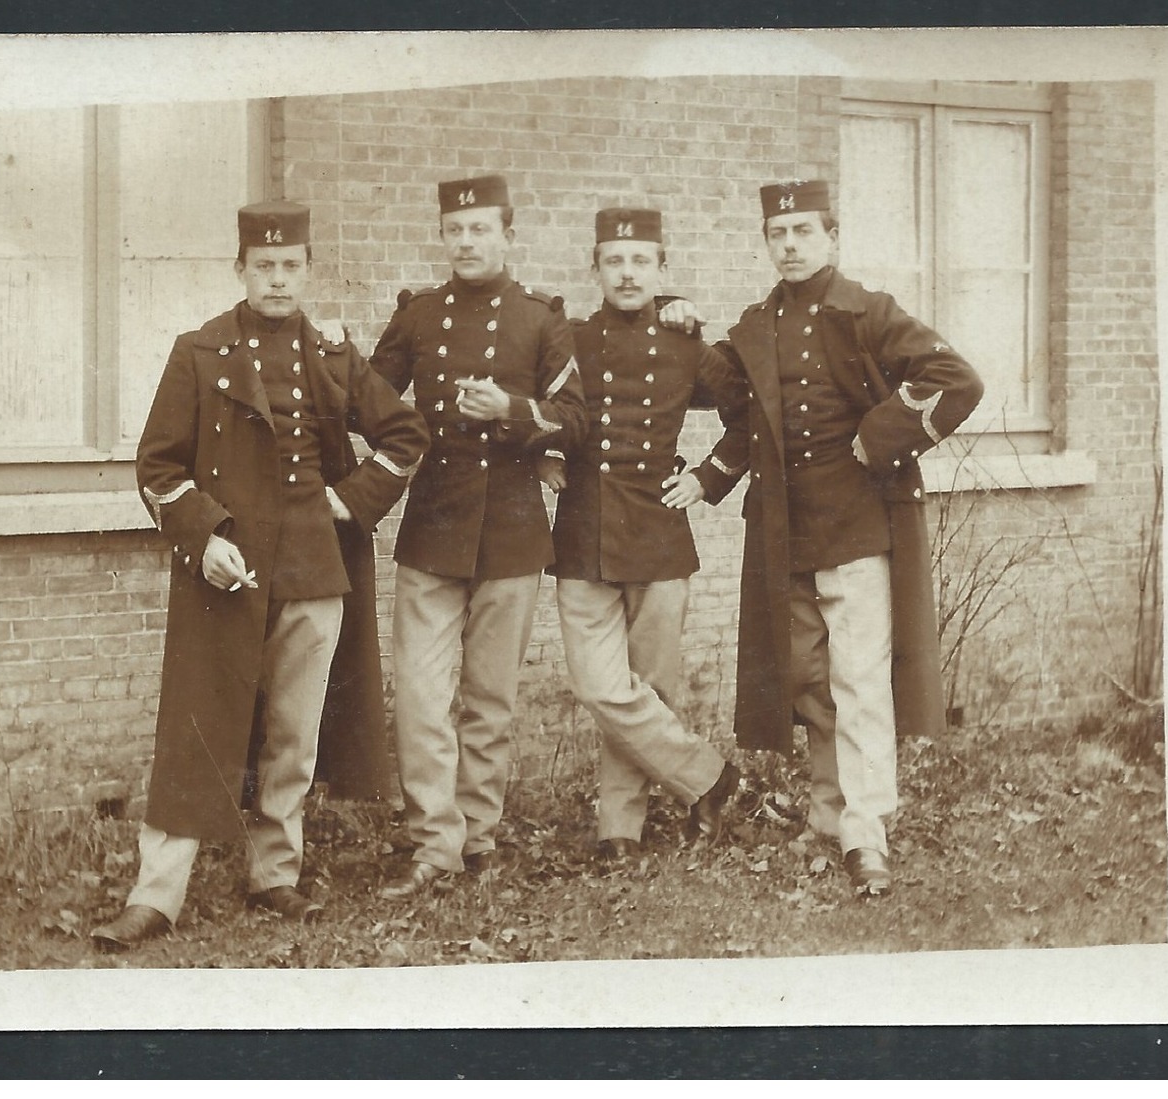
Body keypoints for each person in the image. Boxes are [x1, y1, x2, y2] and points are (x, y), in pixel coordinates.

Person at [91, 201, 428, 948]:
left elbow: (405, 434)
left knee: (292, 736)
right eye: (264, 267)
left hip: (314, 569)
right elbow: (157, 466)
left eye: (291, 267)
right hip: (227, 569)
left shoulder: (336, 355)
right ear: (240, 270)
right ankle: (156, 894)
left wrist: (350, 500)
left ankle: (274, 873)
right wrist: (202, 535)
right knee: (195, 729)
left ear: (308, 271)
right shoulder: (199, 351)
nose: (278, 280)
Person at [662, 180, 983, 895]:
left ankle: (865, 833)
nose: (790, 244)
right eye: (778, 234)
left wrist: (880, 438)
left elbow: (954, 377)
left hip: (859, 525)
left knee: (860, 681)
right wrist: (678, 321)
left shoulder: (867, 313)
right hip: (783, 531)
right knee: (806, 678)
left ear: (830, 237)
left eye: (804, 231)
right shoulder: (755, 325)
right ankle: (826, 810)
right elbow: (727, 401)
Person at [370, 173, 585, 899]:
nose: (466, 242)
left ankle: (479, 836)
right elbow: (367, 398)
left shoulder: (541, 319)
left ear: (507, 235)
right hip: (431, 528)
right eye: (454, 230)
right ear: (442, 236)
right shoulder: (418, 316)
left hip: (513, 534)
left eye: (480, 229)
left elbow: (578, 420)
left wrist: (513, 409)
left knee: (489, 698)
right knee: (425, 698)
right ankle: (433, 842)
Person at [537, 207, 748, 865]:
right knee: (604, 688)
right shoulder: (565, 339)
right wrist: (540, 455)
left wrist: (707, 478)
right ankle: (710, 777)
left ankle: (619, 831)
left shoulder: (686, 343)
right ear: (593, 269)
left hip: (658, 534)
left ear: (661, 269)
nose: (626, 273)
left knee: (647, 692)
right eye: (613, 261)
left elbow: (755, 414)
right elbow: (526, 402)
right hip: (582, 531)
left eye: (640, 261)